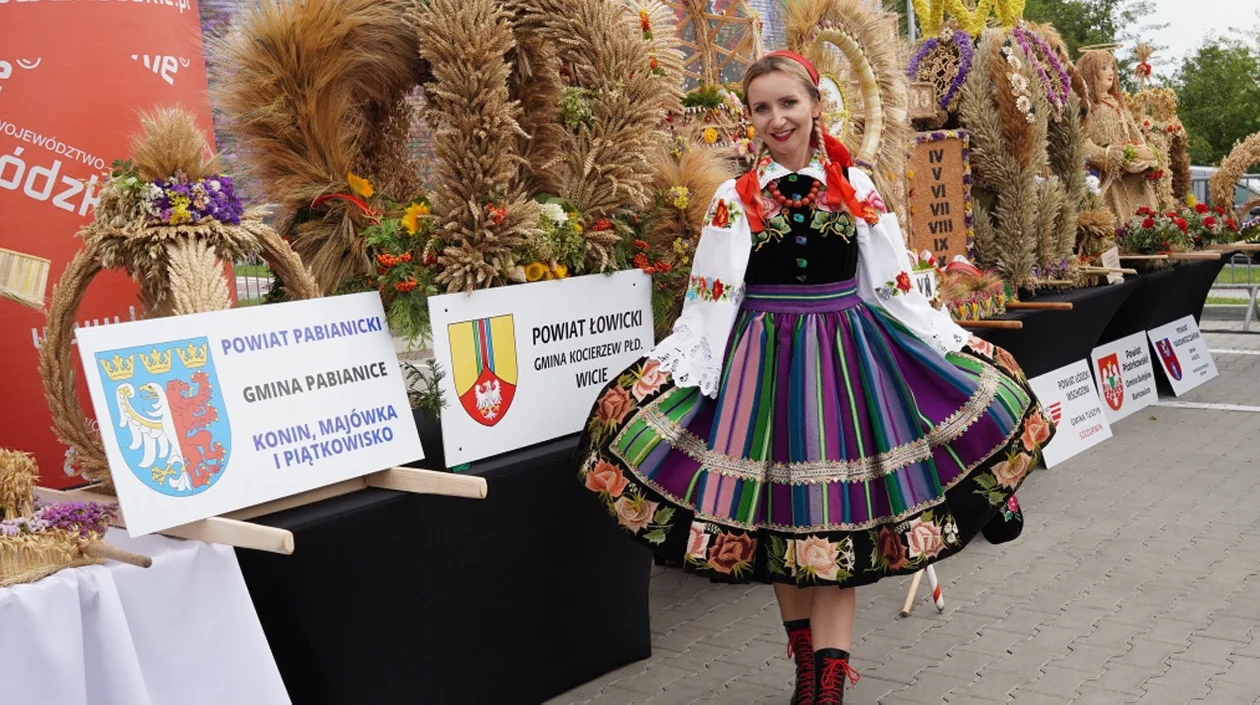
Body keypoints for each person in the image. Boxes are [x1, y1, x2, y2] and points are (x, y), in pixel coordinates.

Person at [577, 51, 1054, 705]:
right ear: (751, 119)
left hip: (848, 365)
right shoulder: (732, 200)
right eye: (762, 107)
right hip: (763, 373)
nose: (777, 118)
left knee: (836, 515)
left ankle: (827, 685)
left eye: (788, 103)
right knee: (784, 526)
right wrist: (665, 376)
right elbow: (709, 308)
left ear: (815, 106)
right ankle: (806, 668)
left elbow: (895, 290)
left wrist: (952, 343)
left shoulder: (856, 188)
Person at [1078, 48, 1161, 223]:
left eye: (1112, 68)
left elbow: (1136, 135)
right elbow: (1082, 142)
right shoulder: (1086, 107)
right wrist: (1108, 156)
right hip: (1106, 180)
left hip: (1134, 180)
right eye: (1103, 68)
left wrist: (1146, 154)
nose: (1111, 73)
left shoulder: (1117, 104)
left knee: (1144, 223)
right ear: (1090, 73)